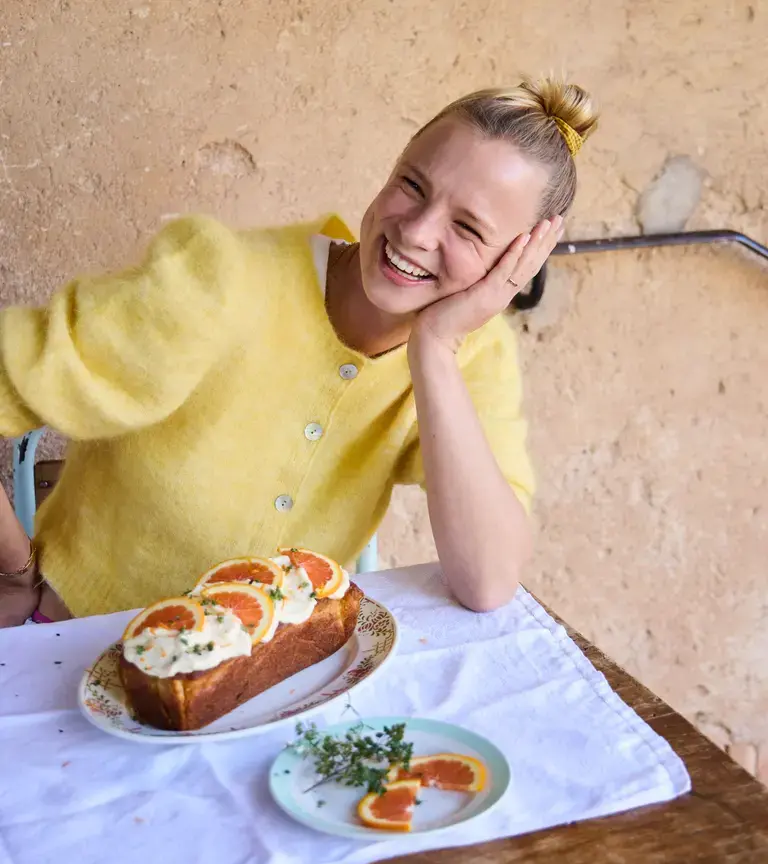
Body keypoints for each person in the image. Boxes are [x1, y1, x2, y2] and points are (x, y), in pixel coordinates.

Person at [0, 76, 598, 626]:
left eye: (468, 228)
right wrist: (12, 573)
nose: (416, 232)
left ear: (516, 261)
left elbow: (488, 579)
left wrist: (435, 350)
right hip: (81, 652)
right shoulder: (219, 280)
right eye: (412, 185)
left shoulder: (474, 353)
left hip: (279, 686)